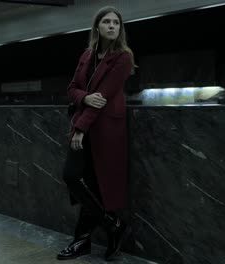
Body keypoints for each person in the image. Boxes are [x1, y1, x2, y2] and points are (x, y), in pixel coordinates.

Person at [57, 6, 135, 261]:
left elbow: (102, 99)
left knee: (94, 185)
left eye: (116, 22)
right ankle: (113, 225)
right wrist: (84, 97)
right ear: (97, 27)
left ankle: (82, 241)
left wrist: (80, 128)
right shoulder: (87, 55)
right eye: (107, 22)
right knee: (73, 176)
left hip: (105, 131)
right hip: (86, 124)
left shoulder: (123, 57)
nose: (112, 26)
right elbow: (72, 89)